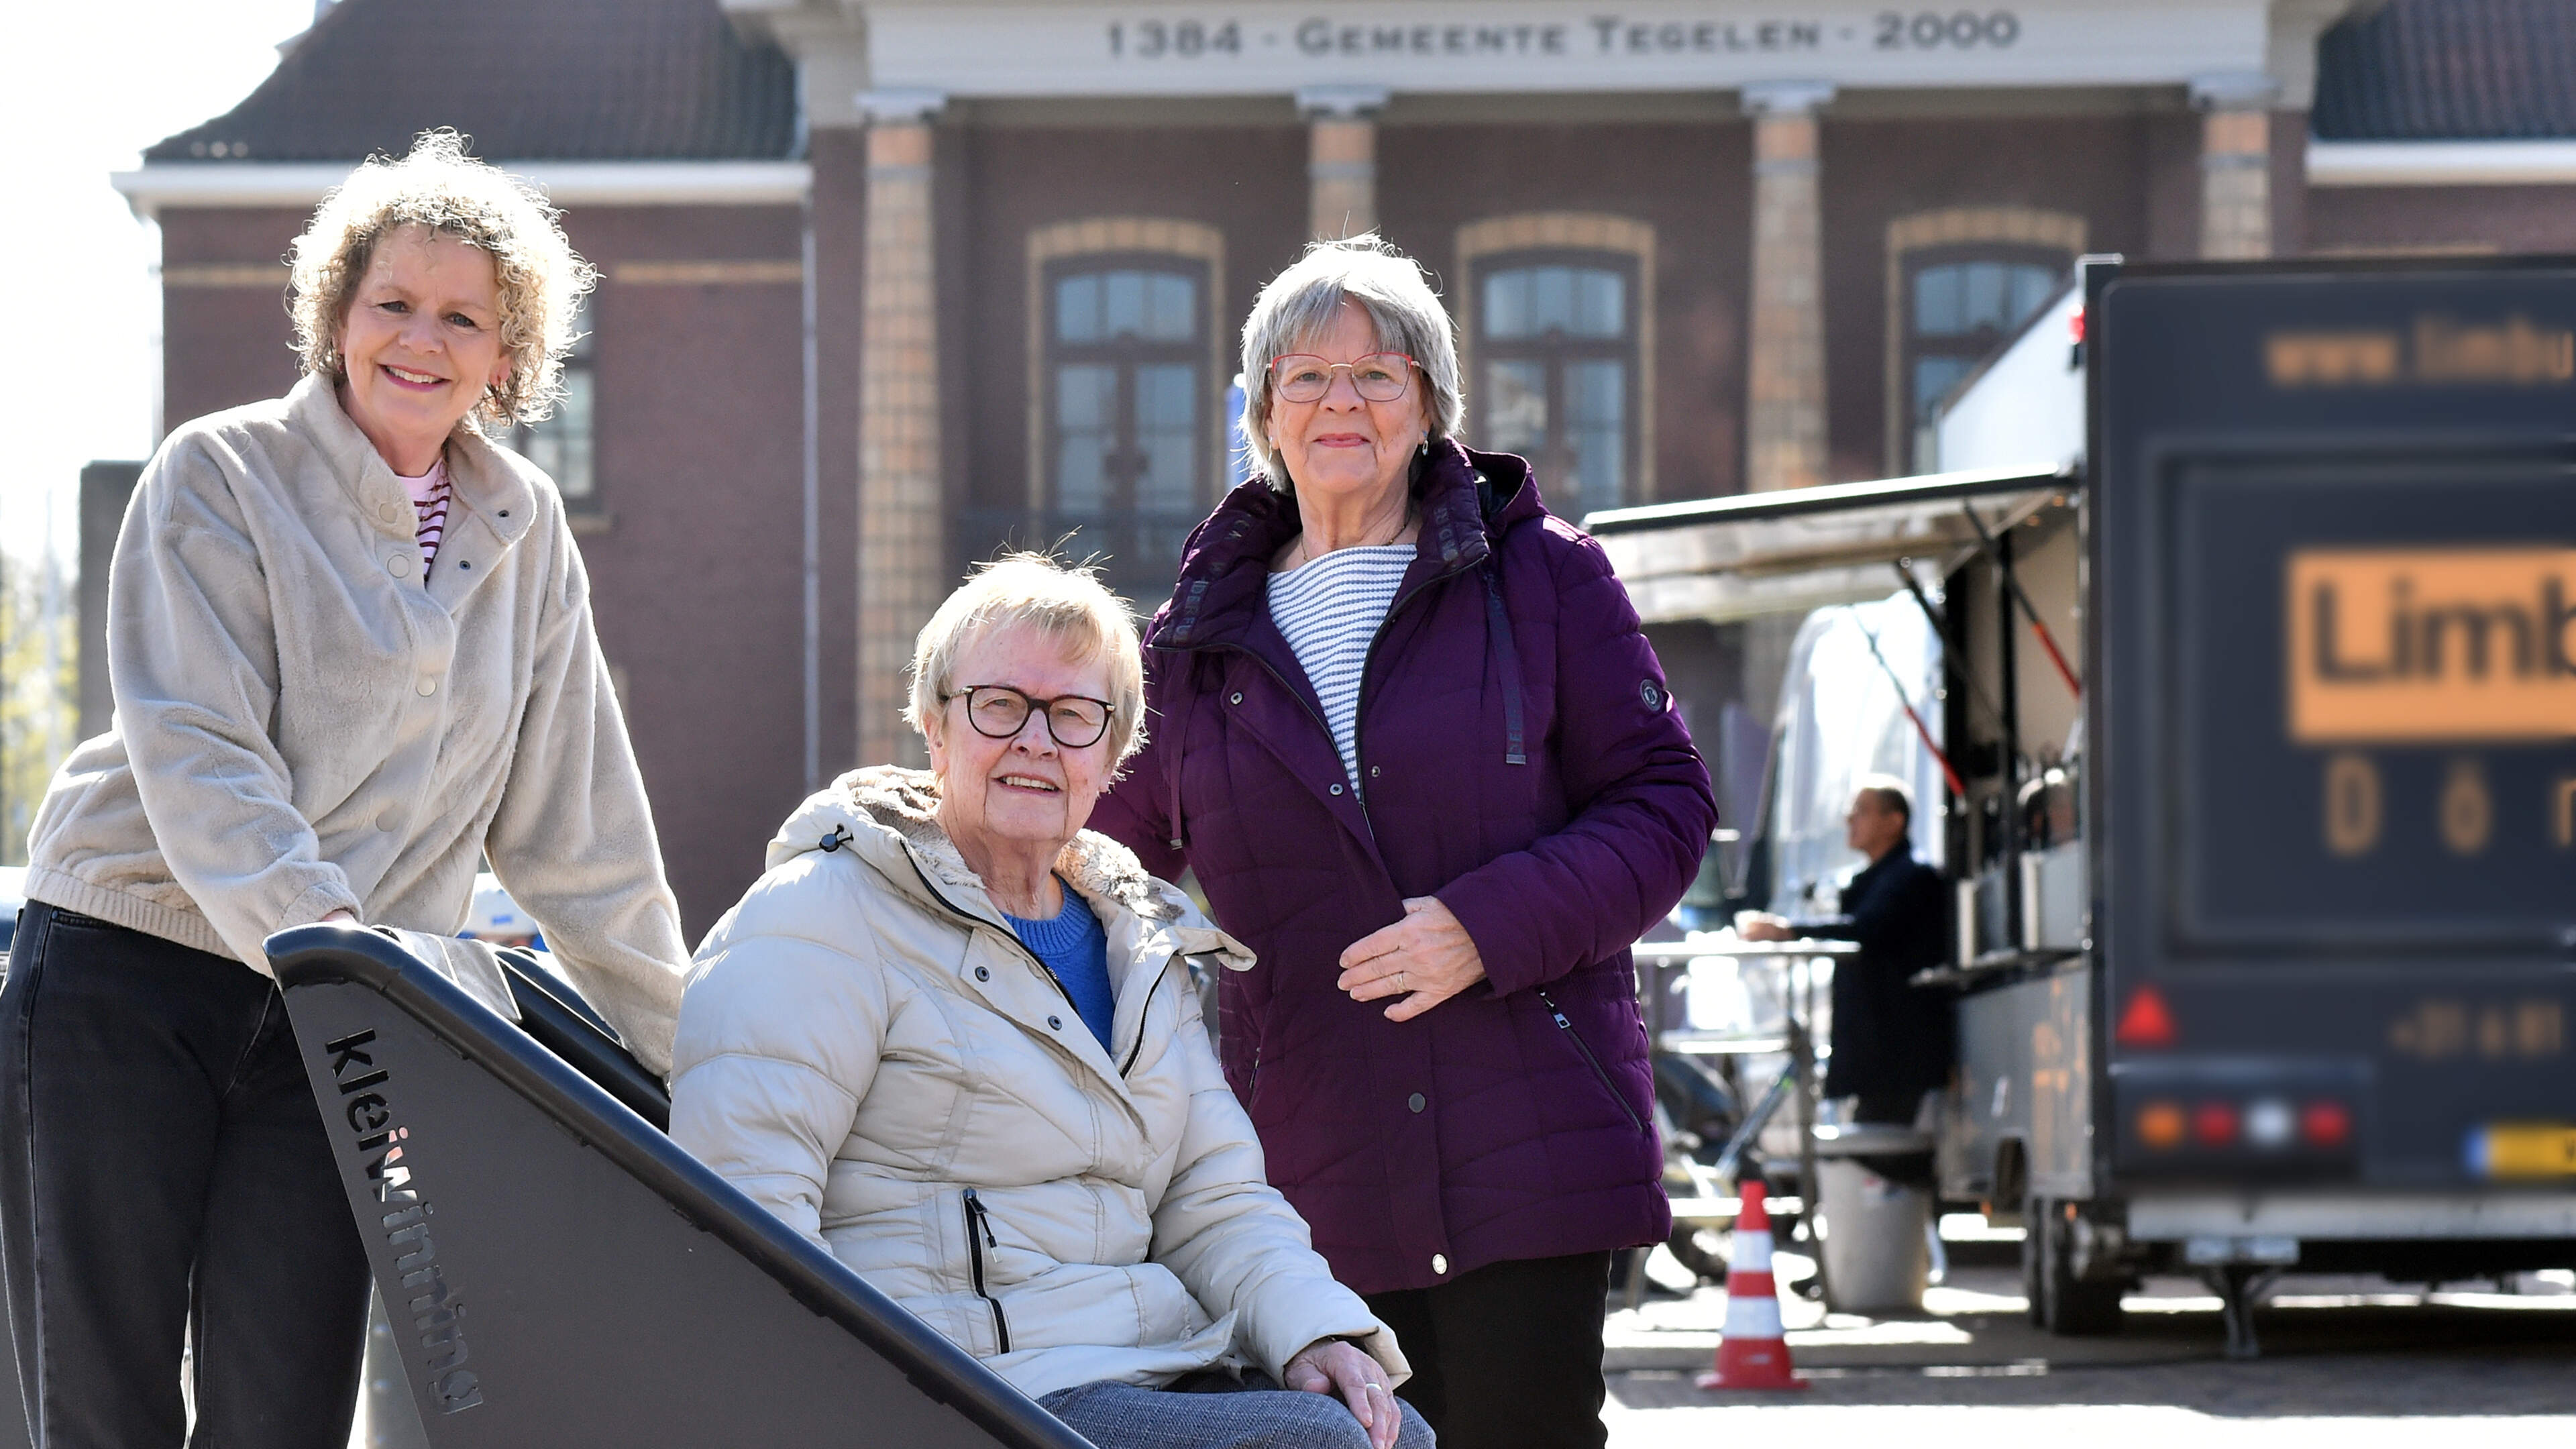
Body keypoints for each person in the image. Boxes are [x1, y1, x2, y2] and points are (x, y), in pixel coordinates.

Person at [0, 131, 690, 1446]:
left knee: (284, 1415)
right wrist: (357, 963)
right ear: (336, 314)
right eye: (393, 303)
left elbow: (583, 836)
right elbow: (206, 763)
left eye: (461, 318)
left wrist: (701, 1064)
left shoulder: (526, 532)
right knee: (104, 1410)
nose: (420, 341)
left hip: (340, 1029)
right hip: (130, 975)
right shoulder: (218, 476)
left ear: (508, 354)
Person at [1089, 235, 1719, 1449]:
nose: (1343, 402)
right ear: (1265, 409)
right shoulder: (1193, 640)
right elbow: (1097, 856)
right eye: (1308, 375)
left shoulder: (1544, 579)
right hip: (1307, 1161)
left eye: (1380, 374)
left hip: (1526, 1141)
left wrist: (1487, 928)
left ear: (1431, 406)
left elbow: (1665, 802)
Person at [669, 555, 1430, 1449]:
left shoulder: (1141, 943)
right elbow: (747, 1205)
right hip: (962, 1387)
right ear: (934, 724)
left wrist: (1313, 1332)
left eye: (1073, 716)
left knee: (1389, 1431)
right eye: (999, 705)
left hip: (1141, 1359)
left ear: (1112, 756)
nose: (1036, 741)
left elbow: (1213, 1200)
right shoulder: (821, 915)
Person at [1738, 775, 1953, 1124]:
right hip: (1879, 1052)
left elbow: (1864, 928)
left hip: (1897, 1051)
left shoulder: (1911, 876)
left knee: (1886, 1141)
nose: (1849, 820)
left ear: (1894, 821)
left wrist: (1788, 930)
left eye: (1862, 812)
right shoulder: (1880, 877)